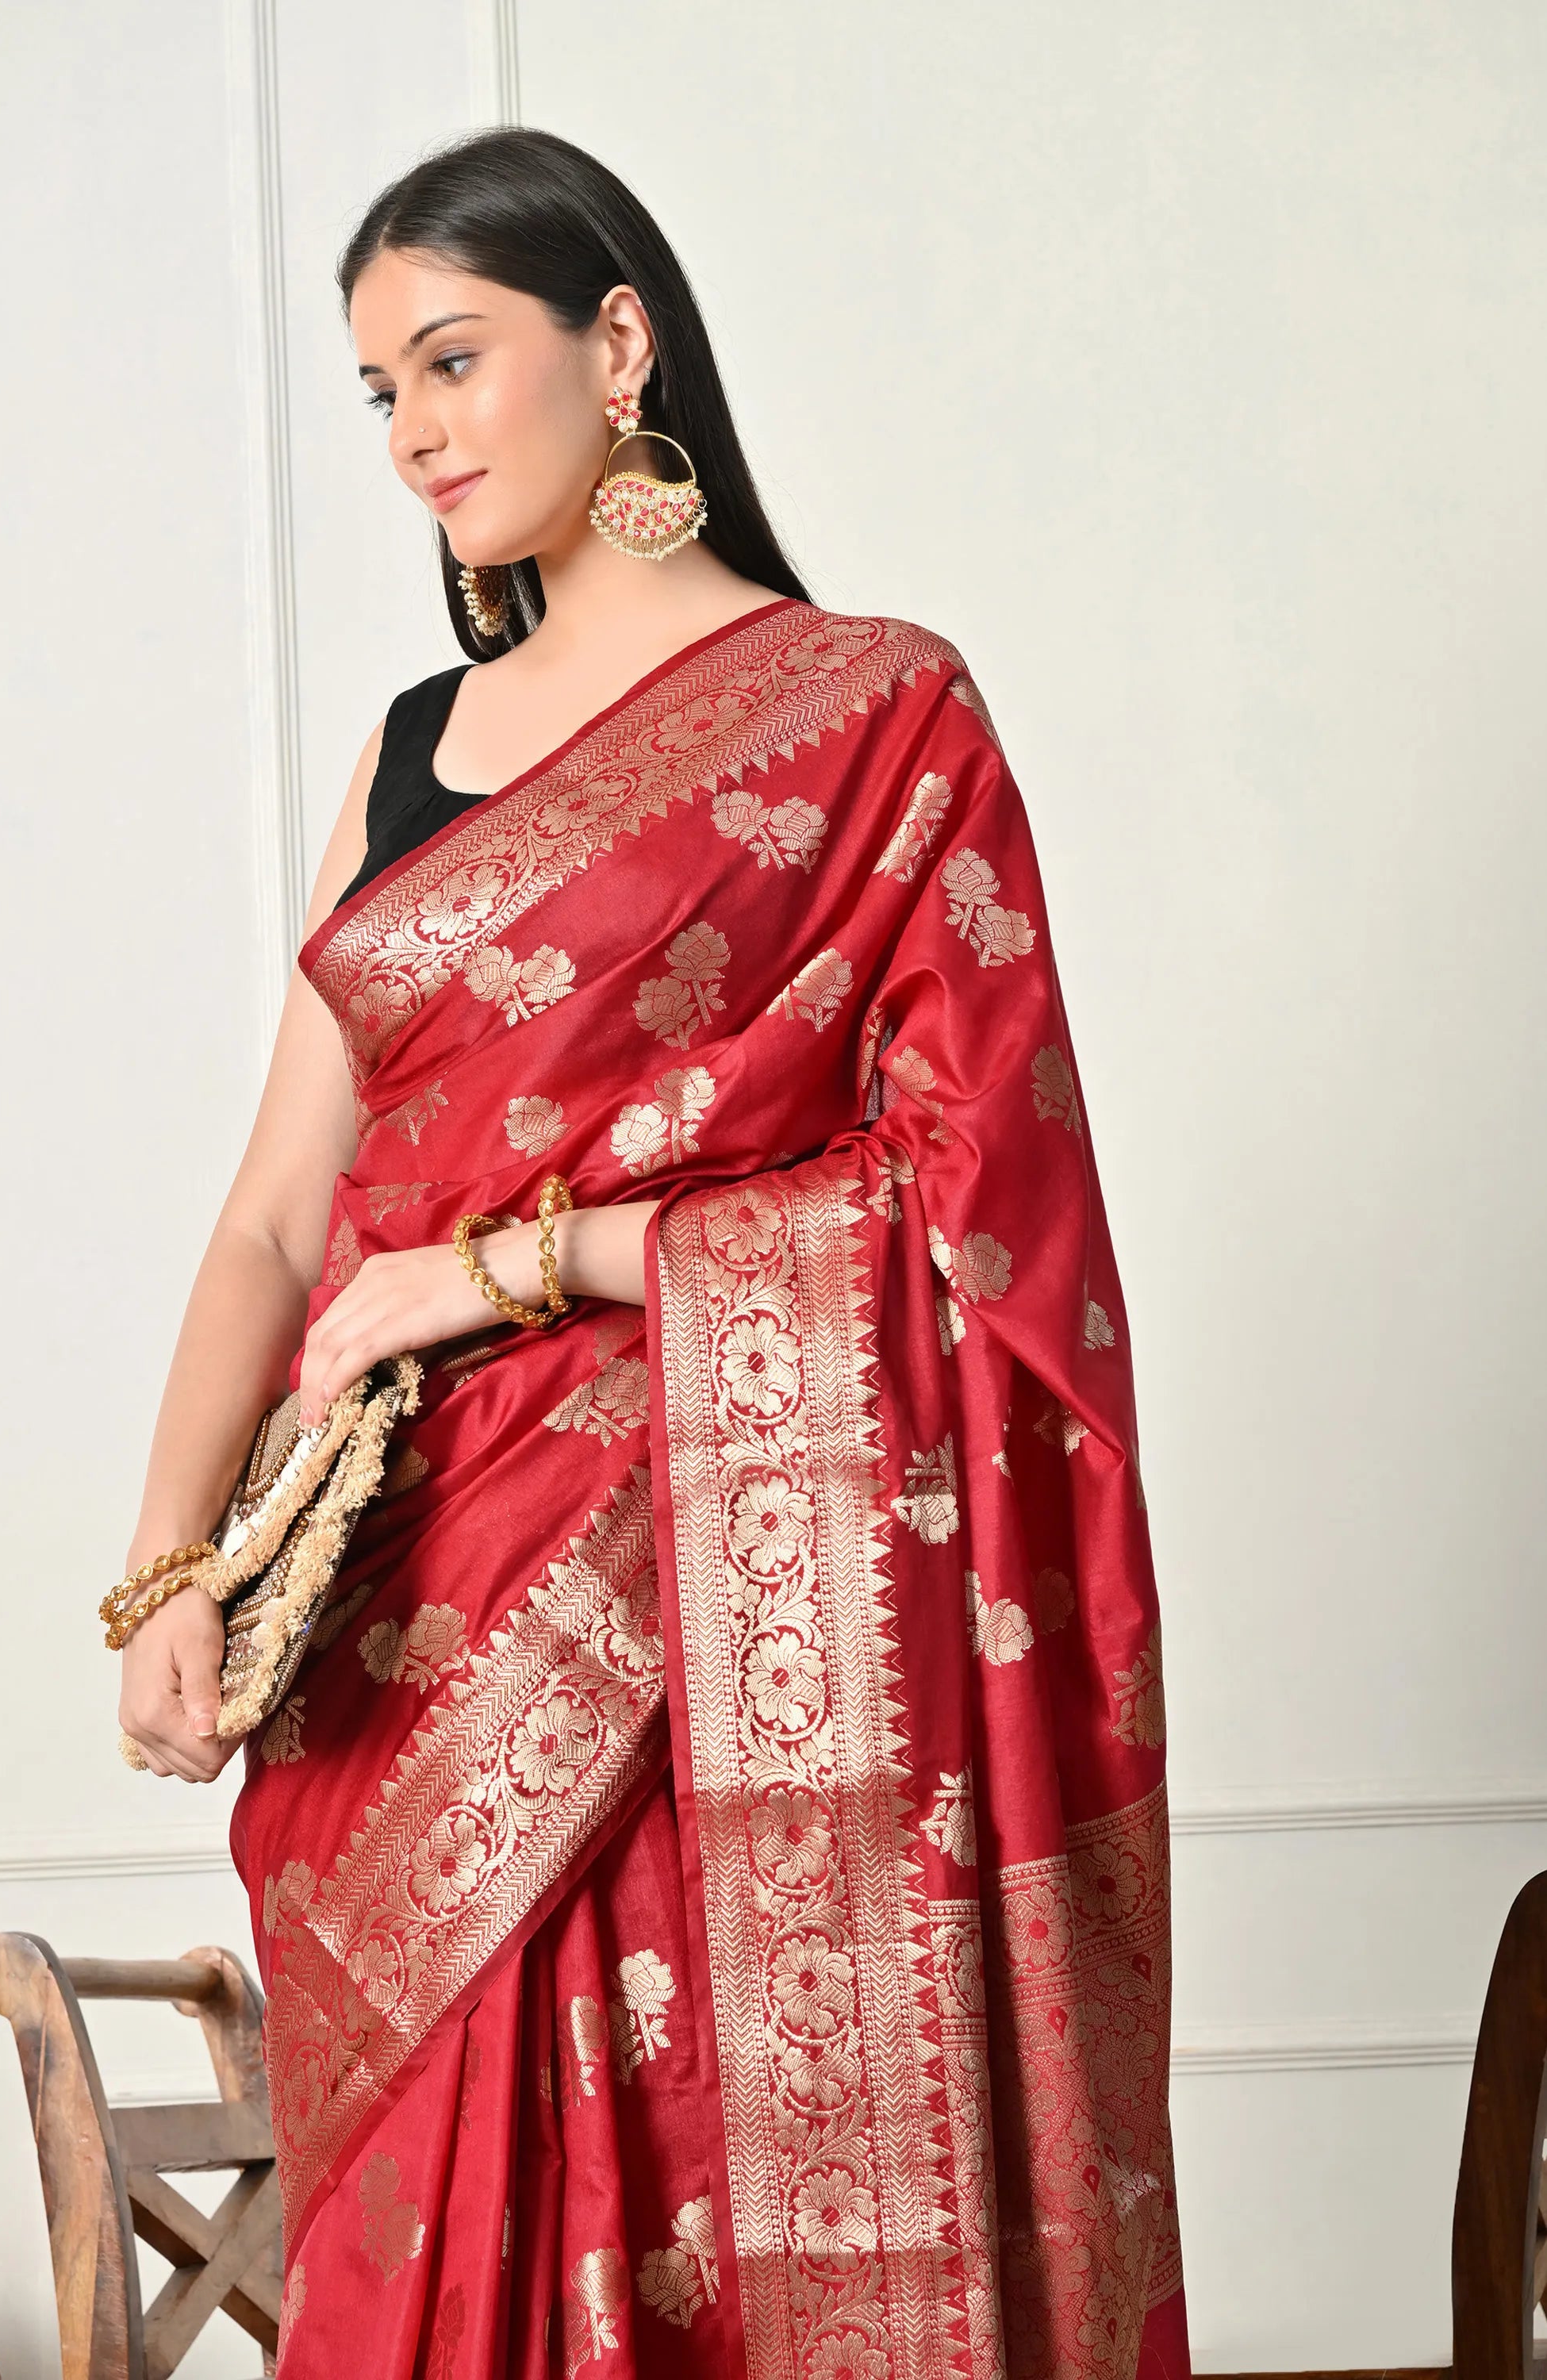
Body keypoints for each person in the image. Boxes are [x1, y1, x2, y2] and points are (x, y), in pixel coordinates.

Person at [113, 123, 1189, 2380]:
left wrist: (513, 1271)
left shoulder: (878, 713)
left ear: (617, 347)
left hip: (716, 1580)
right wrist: (167, 1569)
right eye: (379, 388)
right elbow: (278, 1213)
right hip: (399, 1598)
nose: (411, 434)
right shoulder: (409, 752)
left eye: (452, 360)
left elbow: (972, 1212)